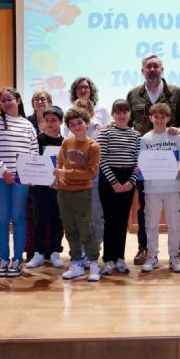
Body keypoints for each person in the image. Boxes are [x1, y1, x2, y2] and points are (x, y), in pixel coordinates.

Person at [127, 55, 180, 266]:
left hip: (170, 170)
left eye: (156, 66)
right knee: (145, 210)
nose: (152, 69)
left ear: (162, 69)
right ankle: (145, 250)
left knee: (176, 212)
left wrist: (179, 132)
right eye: (148, 66)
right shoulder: (133, 95)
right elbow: (127, 125)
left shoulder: (176, 92)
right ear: (142, 70)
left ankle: (179, 251)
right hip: (146, 167)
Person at [0, 87, 38, 278]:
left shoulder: (28, 125)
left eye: (9, 99)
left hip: (20, 179)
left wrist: (31, 175)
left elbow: (34, 153)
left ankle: (18, 260)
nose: (6, 103)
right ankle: (3, 259)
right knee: (3, 219)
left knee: (19, 218)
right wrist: (3, 170)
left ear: (18, 100)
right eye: (2, 100)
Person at [139, 103, 180, 273]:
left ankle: (174, 257)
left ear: (168, 119)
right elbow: (141, 162)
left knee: (174, 224)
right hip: (152, 189)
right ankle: (152, 257)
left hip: (172, 188)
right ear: (151, 118)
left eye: (163, 117)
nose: (159, 120)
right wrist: (139, 168)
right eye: (156, 117)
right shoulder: (145, 139)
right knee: (151, 224)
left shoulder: (175, 137)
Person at [54, 108, 101, 282]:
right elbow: (60, 162)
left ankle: (94, 263)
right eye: (72, 124)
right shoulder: (66, 142)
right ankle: (77, 264)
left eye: (79, 122)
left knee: (86, 229)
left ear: (86, 123)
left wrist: (65, 173)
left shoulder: (93, 146)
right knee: (70, 229)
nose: (76, 126)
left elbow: (90, 173)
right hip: (64, 192)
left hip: (82, 192)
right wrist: (59, 176)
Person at [97, 99, 140, 275]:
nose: (121, 115)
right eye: (118, 112)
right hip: (109, 179)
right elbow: (102, 159)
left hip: (128, 178)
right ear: (113, 114)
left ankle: (120, 258)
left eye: (125, 111)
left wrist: (130, 181)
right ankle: (108, 259)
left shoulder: (136, 135)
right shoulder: (105, 132)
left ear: (129, 113)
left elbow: (138, 161)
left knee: (122, 221)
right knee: (110, 221)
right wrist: (114, 183)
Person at [26, 106, 65, 270]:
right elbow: (31, 162)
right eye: (47, 120)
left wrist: (60, 181)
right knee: (39, 220)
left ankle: (56, 251)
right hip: (40, 187)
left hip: (59, 187)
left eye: (54, 120)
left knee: (58, 220)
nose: (50, 123)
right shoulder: (37, 140)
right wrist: (32, 177)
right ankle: (38, 253)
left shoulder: (65, 142)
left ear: (61, 122)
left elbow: (67, 166)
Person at [74, 97, 106, 254]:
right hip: (76, 183)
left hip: (95, 182)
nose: (80, 120)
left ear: (92, 113)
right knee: (80, 219)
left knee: (96, 218)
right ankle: (81, 250)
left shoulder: (100, 131)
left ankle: (94, 250)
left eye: (85, 114)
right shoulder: (69, 134)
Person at [24, 90, 52, 261]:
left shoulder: (56, 120)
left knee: (50, 212)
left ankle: (48, 248)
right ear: (32, 103)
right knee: (31, 213)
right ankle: (32, 248)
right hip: (32, 173)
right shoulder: (26, 122)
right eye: (36, 99)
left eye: (43, 99)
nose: (40, 101)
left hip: (50, 174)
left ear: (49, 102)